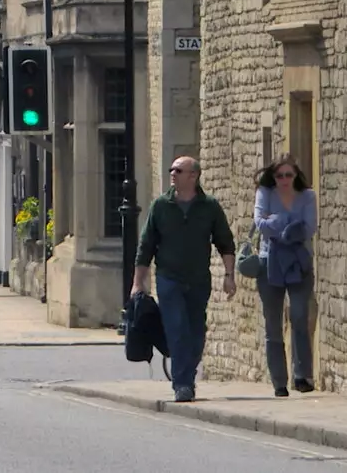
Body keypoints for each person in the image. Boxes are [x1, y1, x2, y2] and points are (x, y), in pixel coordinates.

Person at [132, 155, 237, 403]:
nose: (173, 173)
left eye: (178, 170)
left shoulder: (209, 207)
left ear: (193, 176)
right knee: (177, 328)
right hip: (169, 278)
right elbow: (146, 246)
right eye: (172, 170)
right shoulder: (160, 206)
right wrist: (138, 283)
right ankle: (183, 384)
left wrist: (229, 275)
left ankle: (186, 375)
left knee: (196, 332)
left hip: (199, 280)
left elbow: (225, 243)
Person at [254, 154, 317, 396]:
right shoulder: (265, 193)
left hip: (299, 262)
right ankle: (279, 381)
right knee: (273, 323)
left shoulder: (307, 196)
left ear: (296, 176)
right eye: (279, 176)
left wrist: (276, 223)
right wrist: (290, 224)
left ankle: (302, 375)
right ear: (273, 177)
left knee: (300, 315)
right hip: (269, 263)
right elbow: (260, 223)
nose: (283, 180)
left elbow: (309, 227)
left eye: (288, 175)